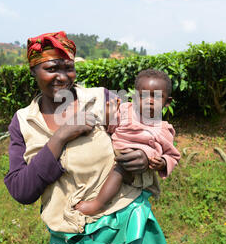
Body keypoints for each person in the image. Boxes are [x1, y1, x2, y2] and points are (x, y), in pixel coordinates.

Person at [4, 31, 170, 244]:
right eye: (51, 69)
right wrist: (60, 136)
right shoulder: (23, 122)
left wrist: (144, 156)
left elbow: (150, 128)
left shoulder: (100, 99)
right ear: (33, 70)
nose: (62, 77)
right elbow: (22, 191)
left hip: (126, 229)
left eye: (68, 68)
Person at [75, 69, 181, 216]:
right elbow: (110, 128)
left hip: (134, 169)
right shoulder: (125, 111)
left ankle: (98, 204)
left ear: (167, 102)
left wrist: (163, 162)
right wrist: (108, 115)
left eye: (156, 97)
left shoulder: (164, 130)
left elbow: (173, 156)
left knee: (120, 170)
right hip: (114, 153)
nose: (149, 101)